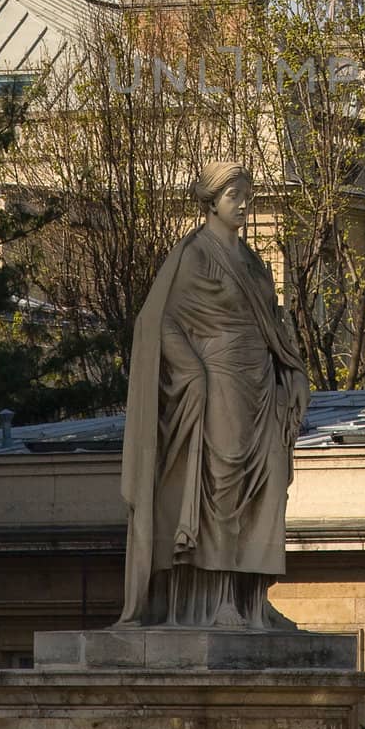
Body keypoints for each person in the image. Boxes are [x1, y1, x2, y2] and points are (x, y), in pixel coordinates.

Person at [118, 161, 310, 628]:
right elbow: (159, 323)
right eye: (233, 195)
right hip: (217, 378)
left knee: (266, 486)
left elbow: (274, 323)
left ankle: (251, 600)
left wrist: (295, 371)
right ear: (209, 201)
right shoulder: (193, 255)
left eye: (247, 194)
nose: (243, 203)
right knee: (221, 486)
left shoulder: (252, 261)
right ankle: (214, 600)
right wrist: (192, 373)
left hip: (261, 384)